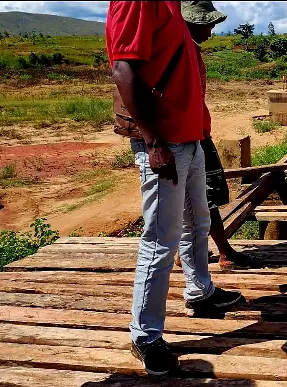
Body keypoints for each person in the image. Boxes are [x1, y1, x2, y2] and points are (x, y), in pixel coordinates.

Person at [107, 1, 244, 375]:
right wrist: (153, 142)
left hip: (189, 139)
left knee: (199, 220)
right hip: (164, 142)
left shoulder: (174, 5)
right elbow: (123, 67)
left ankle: (201, 291)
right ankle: (145, 335)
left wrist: (199, 135)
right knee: (160, 240)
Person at [180, 0, 260, 268]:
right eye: (208, 24)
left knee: (198, 196)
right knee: (205, 195)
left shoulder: (190, 49)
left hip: (197, 131)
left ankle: (192, 253)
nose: (211, 30)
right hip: (191, 135)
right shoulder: (181, 51)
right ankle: (220, 252)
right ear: (193, 21)